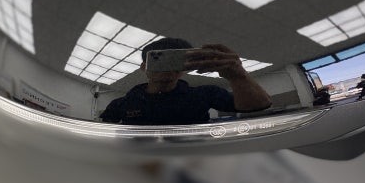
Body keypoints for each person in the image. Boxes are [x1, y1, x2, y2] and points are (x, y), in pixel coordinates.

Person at [99, 38, 272, 125]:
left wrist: (238, 75)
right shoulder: (121, 104)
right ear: (144, 67)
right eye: (160, 59)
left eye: (175, 61)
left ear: (185, 67)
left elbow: (258, 106)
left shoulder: (205, 94)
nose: (168, 67)